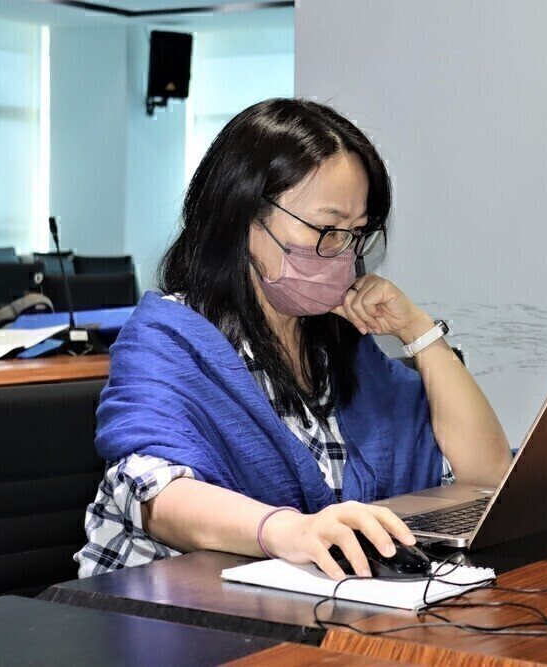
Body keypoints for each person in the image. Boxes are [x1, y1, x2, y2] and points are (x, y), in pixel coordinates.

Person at [76, 98, 511, 580]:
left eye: (356, 233)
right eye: (327, 229)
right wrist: (288, 530)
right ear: (245, 215)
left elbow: (485, 476)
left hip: (313, 599)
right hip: (159, 601)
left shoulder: (341, 342)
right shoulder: (168, 338)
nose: (344, 252)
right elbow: (156, 495)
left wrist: (419, 332)